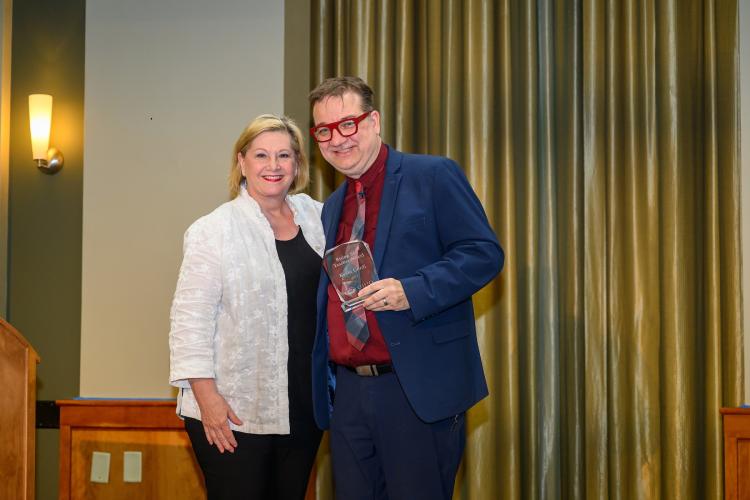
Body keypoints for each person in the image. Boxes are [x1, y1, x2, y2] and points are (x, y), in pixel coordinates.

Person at [309, 76, 504, 500]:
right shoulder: (331, 209)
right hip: (348, 396)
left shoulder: (432, 175)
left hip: (414, 390)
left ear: (374, 121)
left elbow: (484, 253)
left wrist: (412, 290)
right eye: (323, 130)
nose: (336, 139)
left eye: (348, 124)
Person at [169, 114, 324, 500]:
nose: (273, 166)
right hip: (234, 411)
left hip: (304, 409)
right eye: (261, 155)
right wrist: (208, 400)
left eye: (284, 155)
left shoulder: (319, 218)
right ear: (242, 162)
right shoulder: (213, 230)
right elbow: (190, 322)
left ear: (297, 164)